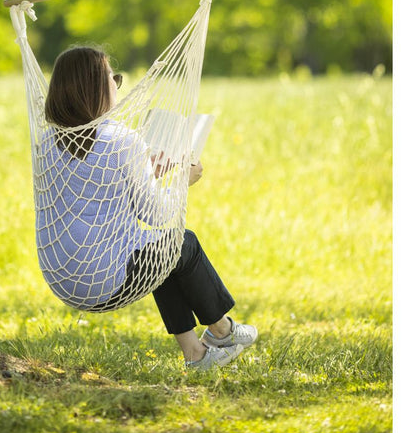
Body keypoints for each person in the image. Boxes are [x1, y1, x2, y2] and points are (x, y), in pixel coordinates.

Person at [39, 45, 257, 371]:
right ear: (96, 88)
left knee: (159, 256)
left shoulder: (46, 143)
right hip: (105, 280)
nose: (117, 85)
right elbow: (155, 215)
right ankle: (223, 330)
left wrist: (146, 174)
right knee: (182, 244)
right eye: (113, 79)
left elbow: (91, 190)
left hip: (63, 276)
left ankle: (196, 355)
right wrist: (183, 179)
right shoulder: (122, 140)